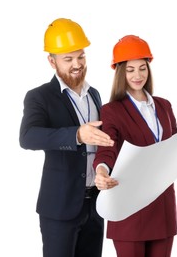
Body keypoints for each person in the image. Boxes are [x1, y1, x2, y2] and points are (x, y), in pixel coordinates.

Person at [93, 35, 177, 257]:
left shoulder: (163, 106)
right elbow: (107, 148)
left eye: (142, 68)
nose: (137, 75)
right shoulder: (112, 110)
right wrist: (101, 170)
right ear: (120, 72)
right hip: (129, 209)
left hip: (162, 208)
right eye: (130, 69)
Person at [19, 18, 114, 257]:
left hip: (95, 203)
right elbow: (28, 137)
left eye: (81, 56)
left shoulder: (95, 94)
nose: (77, 64)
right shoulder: (40, 96)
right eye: (68, 59)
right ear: (52, 61)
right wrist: (77, 135)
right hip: (60, 207)